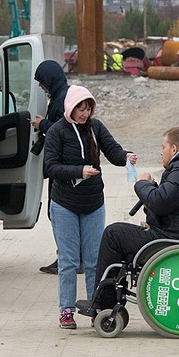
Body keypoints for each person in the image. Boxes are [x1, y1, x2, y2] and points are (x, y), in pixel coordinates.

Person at [83, 127, 179, 313]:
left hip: (173, 239)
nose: (160, 151)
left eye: (163, 146)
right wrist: (153, 192)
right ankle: (106, 301)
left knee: (113, 234)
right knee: (119, 234)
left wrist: (142, 183)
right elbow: (171, 200)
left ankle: (104, 305)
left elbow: (160, 201)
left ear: (173, 149)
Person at [43, 86, 136, 329]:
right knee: (69, 261)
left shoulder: (96, 128)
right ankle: (66, 310)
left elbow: (112, 151)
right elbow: (50, 167)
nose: (84, 114)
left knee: (95, 259)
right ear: (70, 108)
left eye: (88, 109)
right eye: (80, 109)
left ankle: (96, 307)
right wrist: (78, 171)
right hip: (64, 204)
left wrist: (126, 156)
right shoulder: (56, 132)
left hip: (93, 202)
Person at [29, 60, 69, 275]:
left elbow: (65, 130)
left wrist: (42, 124)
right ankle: (67, 256)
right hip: (61, 164)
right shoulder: (60, 96)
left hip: (62, 165)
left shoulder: (63, 98)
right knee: (57, 213)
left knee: (58, 213)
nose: (40, 87)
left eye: (41, 82)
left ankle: (67, 258)